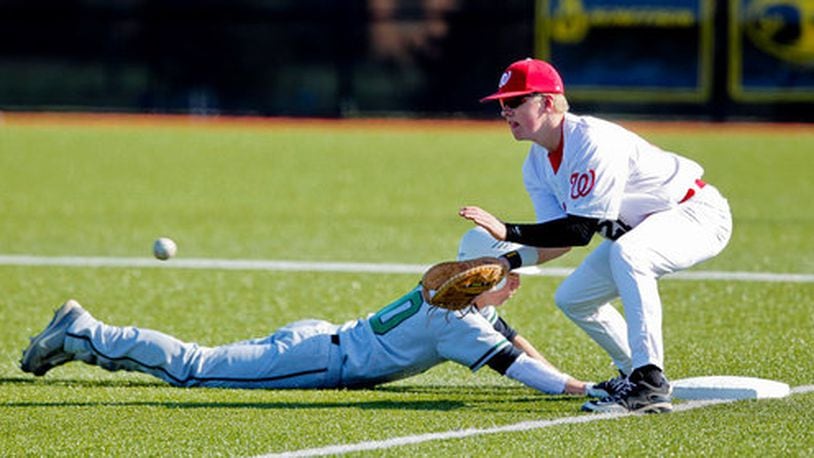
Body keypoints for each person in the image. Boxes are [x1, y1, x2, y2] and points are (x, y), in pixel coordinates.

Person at [20, 229, 606, 398]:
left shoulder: (453, 305)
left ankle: (81, 341)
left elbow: (520, 347)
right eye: (508, 281)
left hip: (320, 339)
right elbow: (522, 370)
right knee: (193, 368)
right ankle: (85, 332)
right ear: (481, 284)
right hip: (316, 360)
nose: (512, 288)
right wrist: (586, 389)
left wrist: (571, 380)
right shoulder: (457, 324)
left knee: (201, 364)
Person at [459, 58, 733, 414]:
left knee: (630, 254)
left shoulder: (592, 141)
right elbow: (559, 240)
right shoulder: (536, 164)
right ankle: (633, 373)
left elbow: (580, 230)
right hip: (644, 228)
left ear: (546, 101)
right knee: (574, 297)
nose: (504, 111)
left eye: (514, 102)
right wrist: (506, 260)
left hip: (695, 214)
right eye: (501, 104)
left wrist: (508, 231)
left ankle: (650, 381)